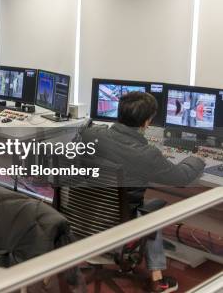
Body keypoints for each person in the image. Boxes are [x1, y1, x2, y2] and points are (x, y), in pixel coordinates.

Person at [80, 92, 205, 293]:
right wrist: (197, 157)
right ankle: (158, 280)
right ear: (147, 122)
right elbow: (182, 177)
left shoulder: (90, 136)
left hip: (79, 217)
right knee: (151, 209)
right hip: (116, 225)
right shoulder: (146, 154)